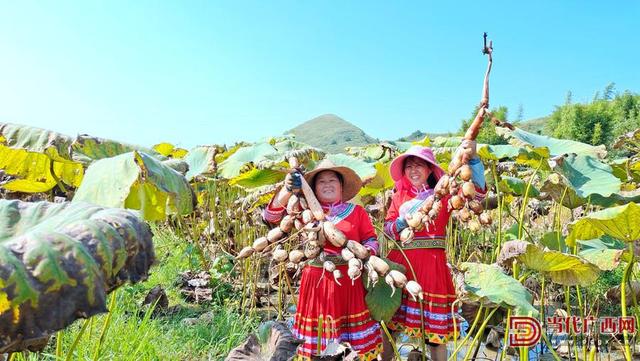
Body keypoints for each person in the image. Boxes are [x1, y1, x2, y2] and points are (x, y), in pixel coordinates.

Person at [263, 159, 383, 361]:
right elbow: (271, 216)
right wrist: (287, 188)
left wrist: (364, 255)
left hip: (350, 282)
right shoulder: (304, 213)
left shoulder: (357, 212)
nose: (327, 184)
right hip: (316, 283)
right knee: (320, 346)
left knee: (354, 348)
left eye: (332, 180)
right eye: (321, 182)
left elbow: (371, 239)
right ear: (313, 189)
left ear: (341, 186)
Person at [381, 142, 486, 361]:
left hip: (432, 266)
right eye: (409, 166)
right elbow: (388, 231)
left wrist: (473, 159)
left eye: (420, 165)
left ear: (430, 169)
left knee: (435, 335)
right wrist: (401, 223)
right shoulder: (399, 196)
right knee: (389, 329)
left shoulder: (445, 195)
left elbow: (477, 196)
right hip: (401, 265)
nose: (413, 170)